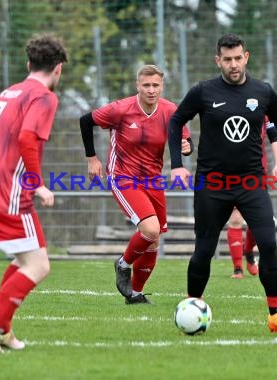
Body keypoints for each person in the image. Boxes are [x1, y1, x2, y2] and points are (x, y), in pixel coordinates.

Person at [168, 33, 277, 335]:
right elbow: (176, 121)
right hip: (211, 184)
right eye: (227, 59)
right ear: (218, 60)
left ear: (246, 57)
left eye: (237, 58)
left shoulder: (263, 91)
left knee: (268, 244)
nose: (233, 64)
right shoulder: (203, 91)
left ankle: (276, 315)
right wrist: (177, 165)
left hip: (251, 183)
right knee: (203, 250)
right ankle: (193, 306)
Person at [0, 35, 68, 353]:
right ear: (58, 69)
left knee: (24, 258)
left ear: (28, 64)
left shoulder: (8, 92)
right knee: (38, 266)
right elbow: (27, 137)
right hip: (8, 191)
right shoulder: (44, 97)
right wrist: (36, 182)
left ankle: (3, 328)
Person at [79, 64, 192, 305]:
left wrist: (187, 147)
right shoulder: (121, 109)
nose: (151, 90)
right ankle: (122, 264)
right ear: (137, 86)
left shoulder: (171, 110)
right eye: (146, 85)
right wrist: (92, 158)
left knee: (154, 240)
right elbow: (85, 121)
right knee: (150, 230)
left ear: (162, 86)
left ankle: (135, 294)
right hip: (123, 177)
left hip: (153, 179)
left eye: (156, 85)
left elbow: (185, 139)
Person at [228, 117, 277, 279]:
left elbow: (274, 133)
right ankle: (237, 268)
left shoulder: (260, 106)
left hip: (255, 172)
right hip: (228, 171)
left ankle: (248, 250)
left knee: (258, 221)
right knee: (235, 219)